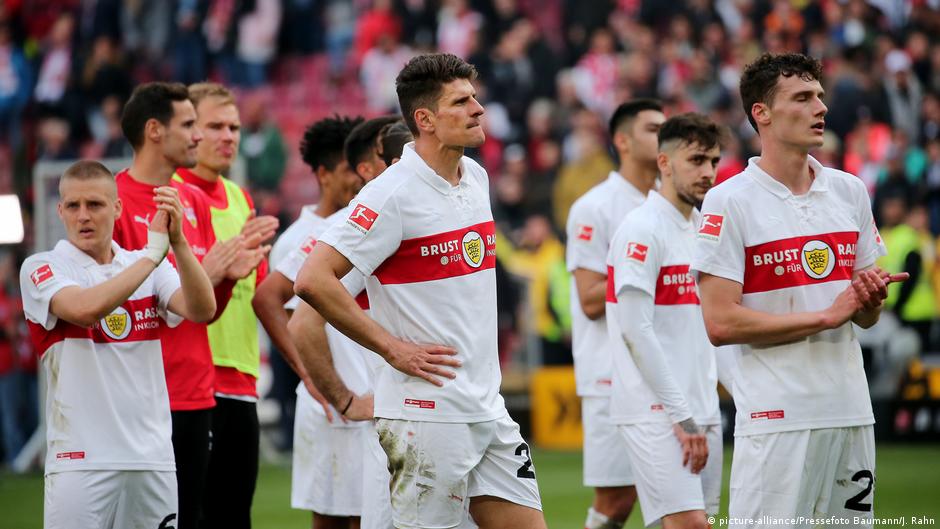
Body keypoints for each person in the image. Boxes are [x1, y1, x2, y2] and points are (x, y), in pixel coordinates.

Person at [295, 53, 545, 529]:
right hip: (425, 417)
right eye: (461, 101)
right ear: (424, 119)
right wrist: (392, 349)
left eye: (475, 97)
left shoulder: (476, 177)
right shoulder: (390, 194)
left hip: (486, 408)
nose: (478, 109)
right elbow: (312, 279)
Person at [692, 53, 908, 528]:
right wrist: (825, 317)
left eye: (820, 97)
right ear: (761, 114)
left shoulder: (849, 191)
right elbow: (720, 322)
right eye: (803, 98)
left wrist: (869, 301)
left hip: (851, 409)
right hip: (777, 418)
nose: (820, 108)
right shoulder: (729, 200)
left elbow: (863, 313)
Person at [20, 160, 216, 529]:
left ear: (117, 208)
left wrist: (179, 244)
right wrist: (151, 255)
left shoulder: (149, 263)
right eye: (73, 206)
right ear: (59, 211)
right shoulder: (42, 267)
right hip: (80, 460)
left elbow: (202, 309)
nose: (83, 216)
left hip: (152, 458)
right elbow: (85, 309)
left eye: (94, 204)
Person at [112, 81, 268, 529]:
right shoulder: (114, 202)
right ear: (156, 130)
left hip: (200, 389)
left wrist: (221, 279)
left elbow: (202, 310)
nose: (202, 137)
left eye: (229, 127)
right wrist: (213, 270)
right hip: (146, 392)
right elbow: (113, 305)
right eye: (193, 125)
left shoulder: (196, 200)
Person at [607, 113, 724, 529]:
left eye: (713, 161)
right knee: (690, 524)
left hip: (702, 410)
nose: (708, 173)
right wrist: (681, 416)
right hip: (656, 411)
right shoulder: (641, 230)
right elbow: (634, 329)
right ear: (664, 163)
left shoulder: (703, 230)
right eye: (696, 160)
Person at [253, 114, 366, 529]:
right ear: (321, 174)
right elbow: (274, 306)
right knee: (338, 520)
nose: (356, 178)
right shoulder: (301, 237)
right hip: (331, 404)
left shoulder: (363, 224)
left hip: (362, 393)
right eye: (345, 170)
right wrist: (311, 374)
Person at [176, 81, 278, 529]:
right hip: (192, 380)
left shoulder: (241, 198)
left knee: (235, 517)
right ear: (189, 131)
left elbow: (259, 291)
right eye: (214, 125)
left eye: (234, 127)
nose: (228, 136)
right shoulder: (170, 194)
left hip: (242, 377)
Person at [564, 98, 666, 529]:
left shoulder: (675, 205)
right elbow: (590, 300)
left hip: (667, 369)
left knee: (680, 500)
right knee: (617, 499)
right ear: (622, 140)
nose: (665, 136)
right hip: (611, 372)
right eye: (653, 128)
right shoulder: (595, 206)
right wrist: (656, 275)